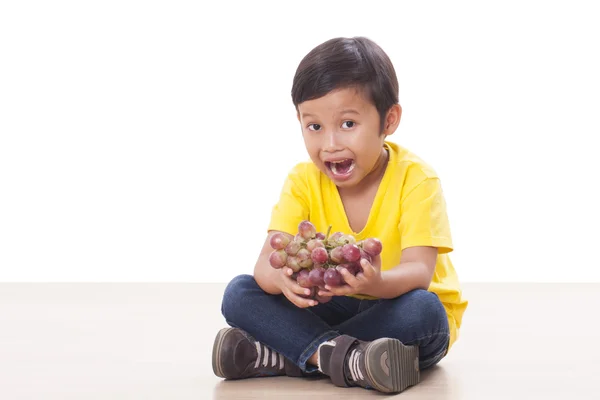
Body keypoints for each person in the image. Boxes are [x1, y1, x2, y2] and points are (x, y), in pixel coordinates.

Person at [211, 36, 468, 394]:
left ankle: (289, 354)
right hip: (333, 305)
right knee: (240, 292)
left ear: (389, 119)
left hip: (393, 305)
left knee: (425, 311)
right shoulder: (302, 180)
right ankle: (347, 360)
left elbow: (420, 273)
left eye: (348, 124)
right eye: (314, 126)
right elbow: (264, 266)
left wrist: (376, 284)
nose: (330, 143)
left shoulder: (416, 179)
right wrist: (283, 281)